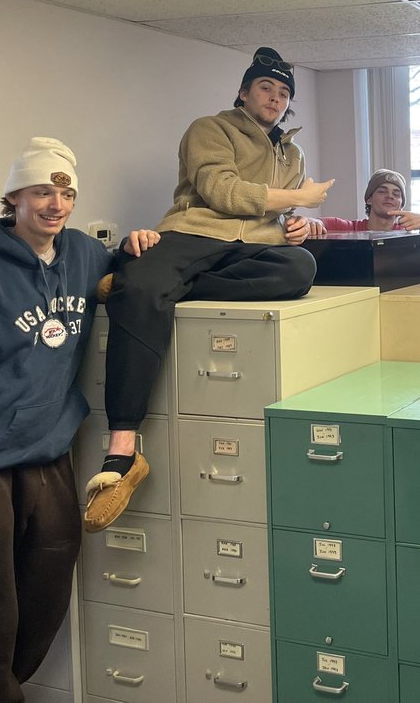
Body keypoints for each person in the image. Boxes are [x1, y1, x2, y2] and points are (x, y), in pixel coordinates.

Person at [0, 137, 159, 703]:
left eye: (66, 194)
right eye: (42, 193)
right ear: (14, 198)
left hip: (50, 456)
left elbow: (123, 272)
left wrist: (138, 245)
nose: (56, 205)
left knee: (46, 602)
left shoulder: (82, 253)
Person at [86, 47, 332, 532]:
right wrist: (299, 197)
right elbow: (223, 191)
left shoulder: (293, 153)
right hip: (195, 233)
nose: (275, 98)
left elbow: (279, 215)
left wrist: (299, 223)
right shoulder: (210, 129)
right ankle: (123, 450)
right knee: (141, 292)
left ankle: (160, 282)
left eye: (284, 93)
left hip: (255, 246)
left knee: (300, 268)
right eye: (266, 87)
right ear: (244, 92)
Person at [315, 168, 420, 233]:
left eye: (396, 194)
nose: (390, 196)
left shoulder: (407, 235)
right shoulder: (349, 228)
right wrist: (311, 223)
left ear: (401, 205)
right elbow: (316, 222)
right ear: (369, 199)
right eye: (382, 191)